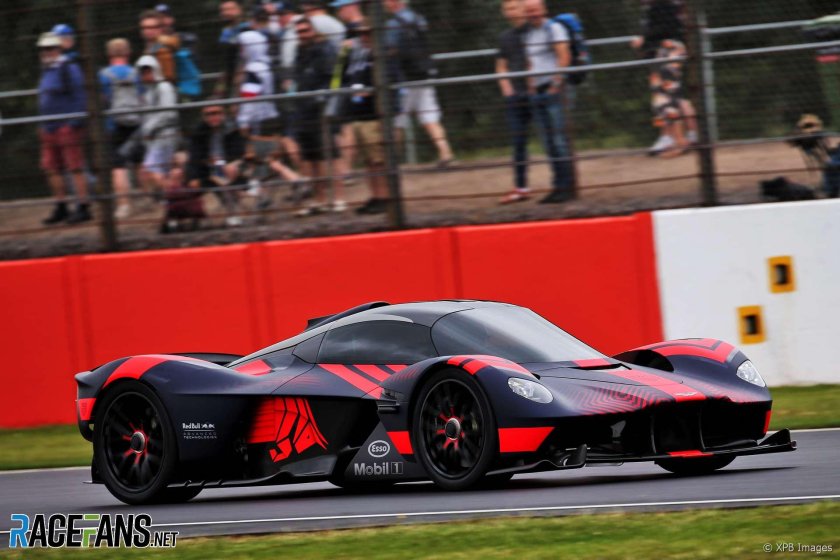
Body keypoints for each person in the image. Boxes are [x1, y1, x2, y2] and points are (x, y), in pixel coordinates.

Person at [383, 0, 455, 167]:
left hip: (404, 79)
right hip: (423, 73)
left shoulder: (392, 24)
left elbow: (390, 50)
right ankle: (446, 152)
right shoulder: (418, 18)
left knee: (397, 120)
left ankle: (393, 161)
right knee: (430, 118)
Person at [522, 0, 575, 204]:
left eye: (535, 9)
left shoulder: (554, 28)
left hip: (554, 89)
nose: (532, 13)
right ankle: (557, 184)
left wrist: (556, 83)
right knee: (548, 141)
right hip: (537, 90)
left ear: (543, 9)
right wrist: (530, 85)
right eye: (528, 11)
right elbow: (529, 62)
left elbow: (564, 56)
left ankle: (567, 186)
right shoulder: (528, 34)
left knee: (559, 139)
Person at [631, 0, 698, 157]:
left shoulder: (662, 4)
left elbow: (667, 28)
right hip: (663, 52)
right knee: (661, 99)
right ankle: (672, 139)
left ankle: (680, 142)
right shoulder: (657, 7)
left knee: (667, 96)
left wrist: (643, 40)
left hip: (668, 51)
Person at [36, 32, 91, 225]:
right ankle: (61, 205)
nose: (46, 52)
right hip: (49, 126)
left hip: (66, 125)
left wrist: (74, 121)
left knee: (74, 166)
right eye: (43, 49)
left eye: (50, 48)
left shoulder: (68, 68)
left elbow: (79, 95)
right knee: (51, 167)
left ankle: (83, 205)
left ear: (58, 49)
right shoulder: (48, 69)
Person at [294, 16, 346, 215]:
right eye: (299, 32)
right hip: (304, 110)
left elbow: (332, 79)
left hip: (322, 110)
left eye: (305, 31)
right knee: (311, 158)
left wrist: (324, 99)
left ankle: (339, 198)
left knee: (331, 156)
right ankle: (319, 200)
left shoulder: (325, 50)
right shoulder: (301, 52)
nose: (302, 35)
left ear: (314, 31)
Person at [340, 21, 393, 215]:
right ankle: (376, 196)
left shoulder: (380, 55)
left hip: (373, 114)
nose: (363, 38)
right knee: (369, 161)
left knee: (378, 159)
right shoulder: (357, 54)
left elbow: (385, 81)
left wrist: (369, 92)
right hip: (358, 113)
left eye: (367, 34)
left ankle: (386, 196)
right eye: (361, 34)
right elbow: (342, 76)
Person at [99, 38, 143, 219]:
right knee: (140, 161)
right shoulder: (136, 73)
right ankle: (150, 200)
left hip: (114, 123)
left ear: (109, 54)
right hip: (136, 121)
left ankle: (124, 205)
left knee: (118, 166)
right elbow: (141, 96)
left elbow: (102, 99)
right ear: (128, 53)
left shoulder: (103, 74)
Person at [186, 104, 247, 226]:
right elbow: (194, 157)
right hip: (207, 170)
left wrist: (231, 164)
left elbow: (240, 153)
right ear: (204, 117)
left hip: (229, 167)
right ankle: (183, 221)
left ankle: (233, 213)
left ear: (223, 114)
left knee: (224, 174)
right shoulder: (199, 132)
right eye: (209, 114)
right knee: (182, 180)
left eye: (216, 113)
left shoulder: (232, 129)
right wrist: (193, 177)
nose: (213, 117)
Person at [496, 0, 532, 204]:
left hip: (536, 94)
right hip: (515, 97)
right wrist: (507, 89)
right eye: (507, 9)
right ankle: (521, 187)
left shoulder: (534, 32)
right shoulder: (505, 37)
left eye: (514, 7)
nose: (511, 12)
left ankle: (564, 183)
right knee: (518, 142)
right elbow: (501, 66)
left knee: (553, 139)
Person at [135, 55, 179, 200]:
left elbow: (169, 112)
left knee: (150, 169)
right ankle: (170, 200)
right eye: (143, 73)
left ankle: (171, 199)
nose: (146, 76)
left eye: (148, 71)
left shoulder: (164, 87)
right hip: (154, 138)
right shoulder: (148, 93)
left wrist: (149, 126)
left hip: (165, 133)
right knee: (158, 171)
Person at [217, 0, 251, 98]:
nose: (225, 13)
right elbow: (225, 63)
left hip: (245, 80)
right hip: (230, 80)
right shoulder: (225, 33)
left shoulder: (247, 29)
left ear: (239, 10)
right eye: (223, 10)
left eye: (229, 9)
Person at [139, 9, 180, 85]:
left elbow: (173, 43)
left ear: (160, 28)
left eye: (152, 27)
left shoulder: (166, 43)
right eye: (145, 28)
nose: (148, 31)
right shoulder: (148, 48)